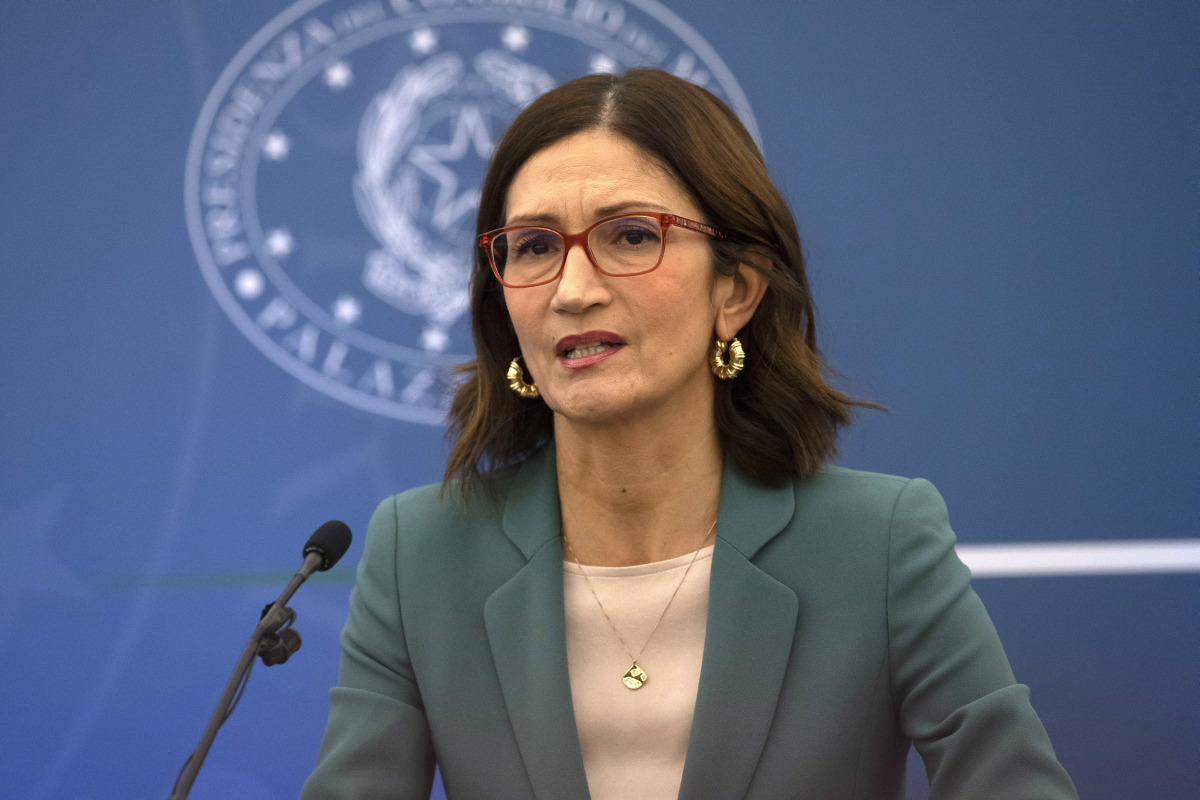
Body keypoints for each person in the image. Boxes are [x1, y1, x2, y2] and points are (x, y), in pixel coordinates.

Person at [300, 68, 1078, 799]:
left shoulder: (878, 543)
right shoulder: (420, 554)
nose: (572, 290)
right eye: (534, 247)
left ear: (736, 290)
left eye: (631, 236)